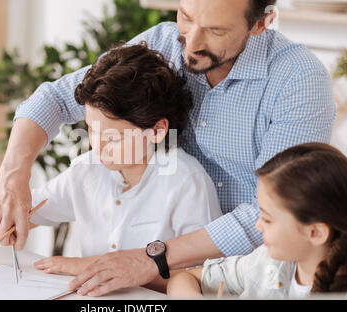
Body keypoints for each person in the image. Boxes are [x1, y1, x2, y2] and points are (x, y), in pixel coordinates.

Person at [0, 0, 336, 297]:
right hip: (173, 282)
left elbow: (274, 212)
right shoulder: (165, 43)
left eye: (216, 31)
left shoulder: (298, 80)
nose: (190, 43)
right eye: (186, 15)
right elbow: (56, 98)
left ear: (262, 23)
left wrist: (149, 259)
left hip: (253, 278)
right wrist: (12, 178)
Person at [26, 43, 222, 282]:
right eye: (91, 130)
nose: (97, 145)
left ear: (157, 130)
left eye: (113, 138)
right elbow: (31, 212)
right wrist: (10, 213)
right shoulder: (87, 170)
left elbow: (207, 277)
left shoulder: (186, 182)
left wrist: (86, 267)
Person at [167, 143, 347, 298]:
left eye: (267, 219)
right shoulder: (265, 262)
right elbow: (184, 279)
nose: (258, 225)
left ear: (316, 233)